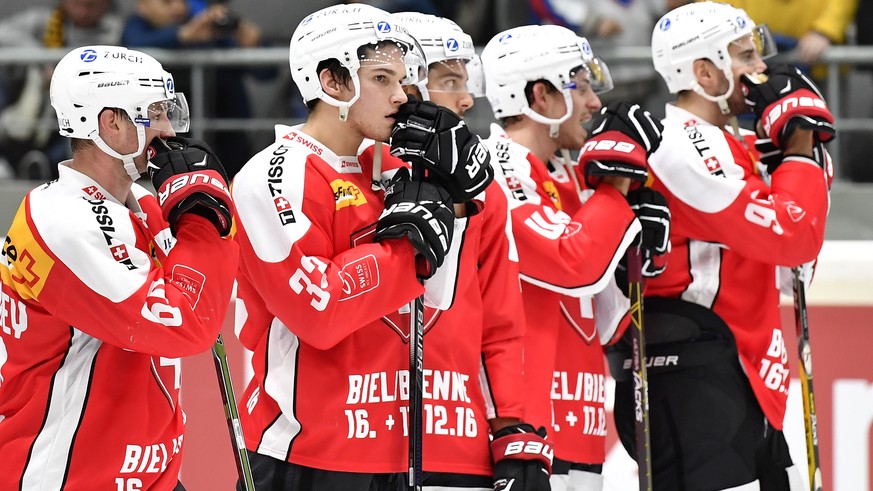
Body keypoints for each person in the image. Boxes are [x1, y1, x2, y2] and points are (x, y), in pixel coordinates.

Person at [230, 4, 500, 490]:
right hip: (303, 450)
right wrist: (404, 250)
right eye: (381, 78)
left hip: (390, 448)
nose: (401, 96)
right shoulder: (276, 173)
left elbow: (431, 300)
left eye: (402, 79)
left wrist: (456, 207)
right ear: (331, 82)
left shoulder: (386, 175)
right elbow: (319, 312)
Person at [606, 2, 834, 489]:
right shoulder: (679, 147)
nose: (761, 69)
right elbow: (791, 237)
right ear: (705, 72)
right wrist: (797, 151)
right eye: (745, 56)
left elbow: (796, 262)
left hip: (735, 371)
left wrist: (803, 156)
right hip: (694, 375)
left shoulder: (735, 146)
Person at [0, 45, 238, 490]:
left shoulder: (142, 203)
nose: (169, 131)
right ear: (110, 123)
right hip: (69, 473)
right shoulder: (61, 220)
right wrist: (205, 220)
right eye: (154, 114)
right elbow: (185, 325)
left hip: (147, 472)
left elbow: (210, 284)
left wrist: (208, 214)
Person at [480, 24, 671, 490]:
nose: (594, 103)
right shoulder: (494, 169)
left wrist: (633, 259)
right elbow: (571, 262)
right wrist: (615, 188)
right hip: (520, 434)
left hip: (578, 428)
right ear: (540, 96)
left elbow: (603, 319)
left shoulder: (569, 177)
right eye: (580, 85)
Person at [380, 11, 552, 490]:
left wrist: (510, 425)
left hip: (456, 437)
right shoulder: (343, 174)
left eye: (467, 77)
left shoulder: (483, 189)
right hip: (357, 436)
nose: (467, 96)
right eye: (450, 79)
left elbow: (499, 325)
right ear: (408, 84)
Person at [122, 0, 272, 178]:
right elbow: (132, 45)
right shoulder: (136, 26)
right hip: (165, 144)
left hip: (226, 142)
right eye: (167, 2)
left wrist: (253, 45)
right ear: (143, 6)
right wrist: (181, 36)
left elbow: (268, 74)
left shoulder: (205, 26)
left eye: (183, 1)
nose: (178, 7)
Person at [0, 0, 122, 179]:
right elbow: (4, 33)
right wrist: (43, 60)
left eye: (92, 5)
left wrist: (60, 70)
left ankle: (47, 165)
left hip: (73, 111)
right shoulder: (45, 20)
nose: (84, 10)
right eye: (78, 3)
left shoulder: (114, 31)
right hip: (31, 103)